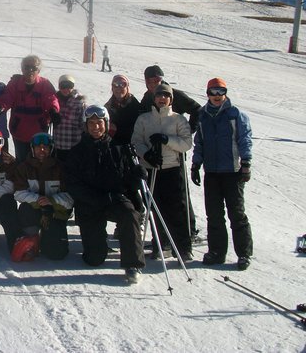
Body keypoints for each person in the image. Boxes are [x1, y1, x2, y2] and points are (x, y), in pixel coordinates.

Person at [63, 105, 147, 283]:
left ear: (106, 124)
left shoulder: (118, 149)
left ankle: (133, 264)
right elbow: (73, 185)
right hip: (89, 205)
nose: (95, 127)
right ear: (85, 126)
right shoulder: (76, 152)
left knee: (129, 213)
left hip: (114, 199)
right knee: (94, 259)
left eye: (99, 123)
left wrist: (137, 175)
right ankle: (98, 244)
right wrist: (96, 199)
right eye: (91, 123)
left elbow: (128, 182)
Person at [191, 78, 253, 270]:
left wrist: (246, 163)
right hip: (212, 172)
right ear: (207, 94)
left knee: (237, 213)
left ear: (225, 93)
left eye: (220, 92)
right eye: (213, 92)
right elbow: (199, 142)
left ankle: (244, 254)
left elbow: (245, 138)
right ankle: (217, 252)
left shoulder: (235, 114)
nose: (217, 96)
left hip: (232, 172)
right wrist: (195, 165)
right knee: (214, 215)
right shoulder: (203, 115)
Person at [132, 83, 194, 260]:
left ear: (170, 99)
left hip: (172, 168)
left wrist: (167, 139)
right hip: (151, 169)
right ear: (154, 98)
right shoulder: (144, 119)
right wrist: (147, 155)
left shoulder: (178, 119)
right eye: (159, 96)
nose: (162, 99)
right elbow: (136, 141)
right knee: (155, 207)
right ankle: (162, 244)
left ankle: (183, 247)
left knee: (177, 208)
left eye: (166, 96)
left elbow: (186, 143)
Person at [10, 132, 73, 261]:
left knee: (57, 254)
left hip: (55, 212)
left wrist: (52, 200)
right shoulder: (24, 168)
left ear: (51, 149)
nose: (42, 150)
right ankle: (31, 238)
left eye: (46, 147)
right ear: (32, 149)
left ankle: (48, 237)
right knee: (25, 209)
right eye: (38, 147)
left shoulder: (61, 168)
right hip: (34, 209)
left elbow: (71, 198)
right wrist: (38, 200)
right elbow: (18, 193)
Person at [0, 55, 59, 163]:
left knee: (39, 160)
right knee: (22, 161)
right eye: (26, 67)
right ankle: (21, 179)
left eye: (34, 67)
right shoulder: (15, 83)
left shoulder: (44, 84)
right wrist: (0, 108)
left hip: (39, 131)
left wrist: (53, 110)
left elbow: (50, 98)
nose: (30, 70)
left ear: (39, 70)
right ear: (22, 69)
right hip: (19, 131)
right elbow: (8, 96)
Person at [52, 75, 86, 162]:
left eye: (69, 86)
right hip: (59, 143)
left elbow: (83, 122)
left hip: (74, 143)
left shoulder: (79, 102)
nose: (66, 89)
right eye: (63, 86)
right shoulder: (55, 100)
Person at [104, 74, 141, 146]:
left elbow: (137, 129)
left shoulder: (134, 106)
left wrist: (116, 129)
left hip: (129, 146)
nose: (118, 88)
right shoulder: (108, 106)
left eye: (122, 84)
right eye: (115, 85)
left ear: (127, 88)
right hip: (112, 145)